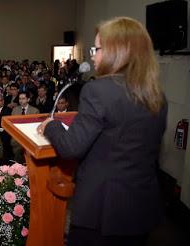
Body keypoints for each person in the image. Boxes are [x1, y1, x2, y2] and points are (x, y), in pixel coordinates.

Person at [37, 17, 167, 246]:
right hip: (140, 208)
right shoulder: (156, 95)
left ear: (117, 52)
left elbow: (70, 147)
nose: (93, 55)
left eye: (96, 49)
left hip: (102, 210)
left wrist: (51, 125)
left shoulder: (98, 90)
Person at [11, 91, 39, 163]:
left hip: (29, 141)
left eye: (23, 98)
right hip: (17, 141)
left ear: (28, 99)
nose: (21, 100)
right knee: (18, 164)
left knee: (29, 163)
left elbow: (36, 128)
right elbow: (12, 125)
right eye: (20, 99)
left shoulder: (35, 111)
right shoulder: (15, 110)